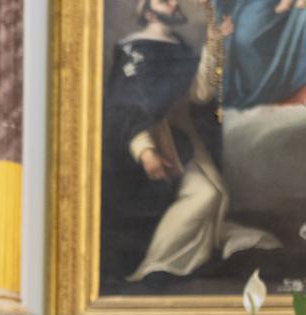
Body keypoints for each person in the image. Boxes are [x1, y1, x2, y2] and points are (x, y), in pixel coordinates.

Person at [103, 0, 277, 285]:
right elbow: (127, 111)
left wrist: (214, 44)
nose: (173, 4)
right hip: (149, 141)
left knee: (218, 193)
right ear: (148, 12)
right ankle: (155, 265)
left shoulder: (178, 49)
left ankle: (192, 256)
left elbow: (199, 94)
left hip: (181, 135)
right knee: (205, 194)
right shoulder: (133, 50)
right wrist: (145, 151)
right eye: (164, 1)